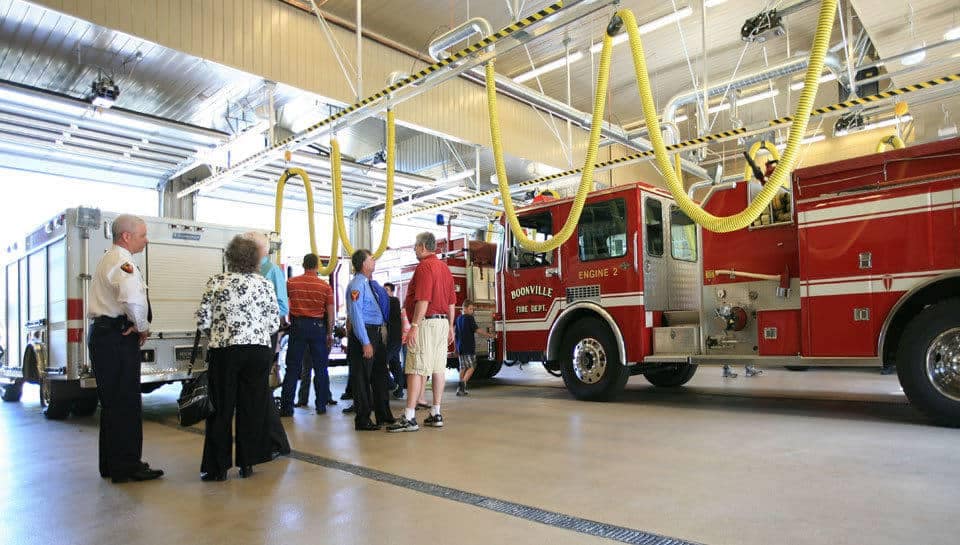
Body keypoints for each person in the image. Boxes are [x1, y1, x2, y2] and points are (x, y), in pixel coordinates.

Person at [196, 236, 280, 481]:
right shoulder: (264, 284)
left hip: (226, 350)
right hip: (257, 350)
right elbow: (274, 322)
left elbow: (203, 320)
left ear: (229, 257)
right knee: (252, 406)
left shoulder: (217, 282)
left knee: (221, 407)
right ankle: (248, 462)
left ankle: (217, 467)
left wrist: (218, 334)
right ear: (255, 260)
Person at [88, 214, 164, 483]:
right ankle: (128, 466)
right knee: (126, 402)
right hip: (116, 337)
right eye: (143, 234)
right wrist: (142, 326)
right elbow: (133, 300)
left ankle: (111, 463)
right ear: (126, 236)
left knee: (112, 403)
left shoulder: (111, 258)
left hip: (105, 335)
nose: (146, 239)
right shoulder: (123, 261)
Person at [388, 232, 455, 433]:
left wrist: (414, 326)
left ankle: (409, 417)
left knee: (416, 368)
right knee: (437, 368)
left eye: (416, 246)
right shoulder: (444, 268)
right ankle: (435, 412)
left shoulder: (425, 267)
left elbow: (423, 298)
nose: (414, 249)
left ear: (423, 246)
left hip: (426, 324)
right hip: (442, 324)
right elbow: (452, 302)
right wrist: (451, 326)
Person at [244, 231, 291, 456]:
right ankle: (270, 441)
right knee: (256, 389)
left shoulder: (271, 271)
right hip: (248, 336)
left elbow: (282, 306)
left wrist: (261, 321)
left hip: (263, 334)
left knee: (261, 388)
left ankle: (276, 441)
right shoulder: (244, 270)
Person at [345, 249, 394, 430]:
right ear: (364, 264)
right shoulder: (357, 285)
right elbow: (356, 315)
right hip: (364, 334)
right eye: (371, 259)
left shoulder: (369, 283)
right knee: (362, 379)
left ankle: (384, 414)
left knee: (380, 375)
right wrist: (365, 341)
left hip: (376, 333)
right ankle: (363, 419)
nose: (374, 261)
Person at [280, 254, 335, 415]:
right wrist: (329, 333)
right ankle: (321, 405)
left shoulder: (291, 283)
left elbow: (283, 303)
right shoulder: (325, 286)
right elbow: (330, 314)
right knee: (321, 369)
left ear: (303, 265)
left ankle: (286, 408)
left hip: (297, 326)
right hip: (318, 328)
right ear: (317, 266)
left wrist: (284, 321)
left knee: (293, 368)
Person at [454, 299, 496, 396]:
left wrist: (456, 348)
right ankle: (462, 384)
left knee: (463, 367)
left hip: (460, 347)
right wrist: (489, 335)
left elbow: (456, 334)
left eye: (472, 309)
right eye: (470, 309)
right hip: (468, 347)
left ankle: (459, 389)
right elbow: (477, 330)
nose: (472, 311)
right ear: (464, 308)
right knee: (472, 366)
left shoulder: (458, 319)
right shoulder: (469, 318)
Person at [383, 282, 404, 398]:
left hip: (393, 339)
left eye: (386, 289)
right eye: (383, 289)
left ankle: (392, 385)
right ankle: (399, 389)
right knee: (395, 364)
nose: (384, 291)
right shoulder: (388, 302)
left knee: (382, 362)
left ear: (392, 291)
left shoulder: (394, 301)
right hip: (391, 339)